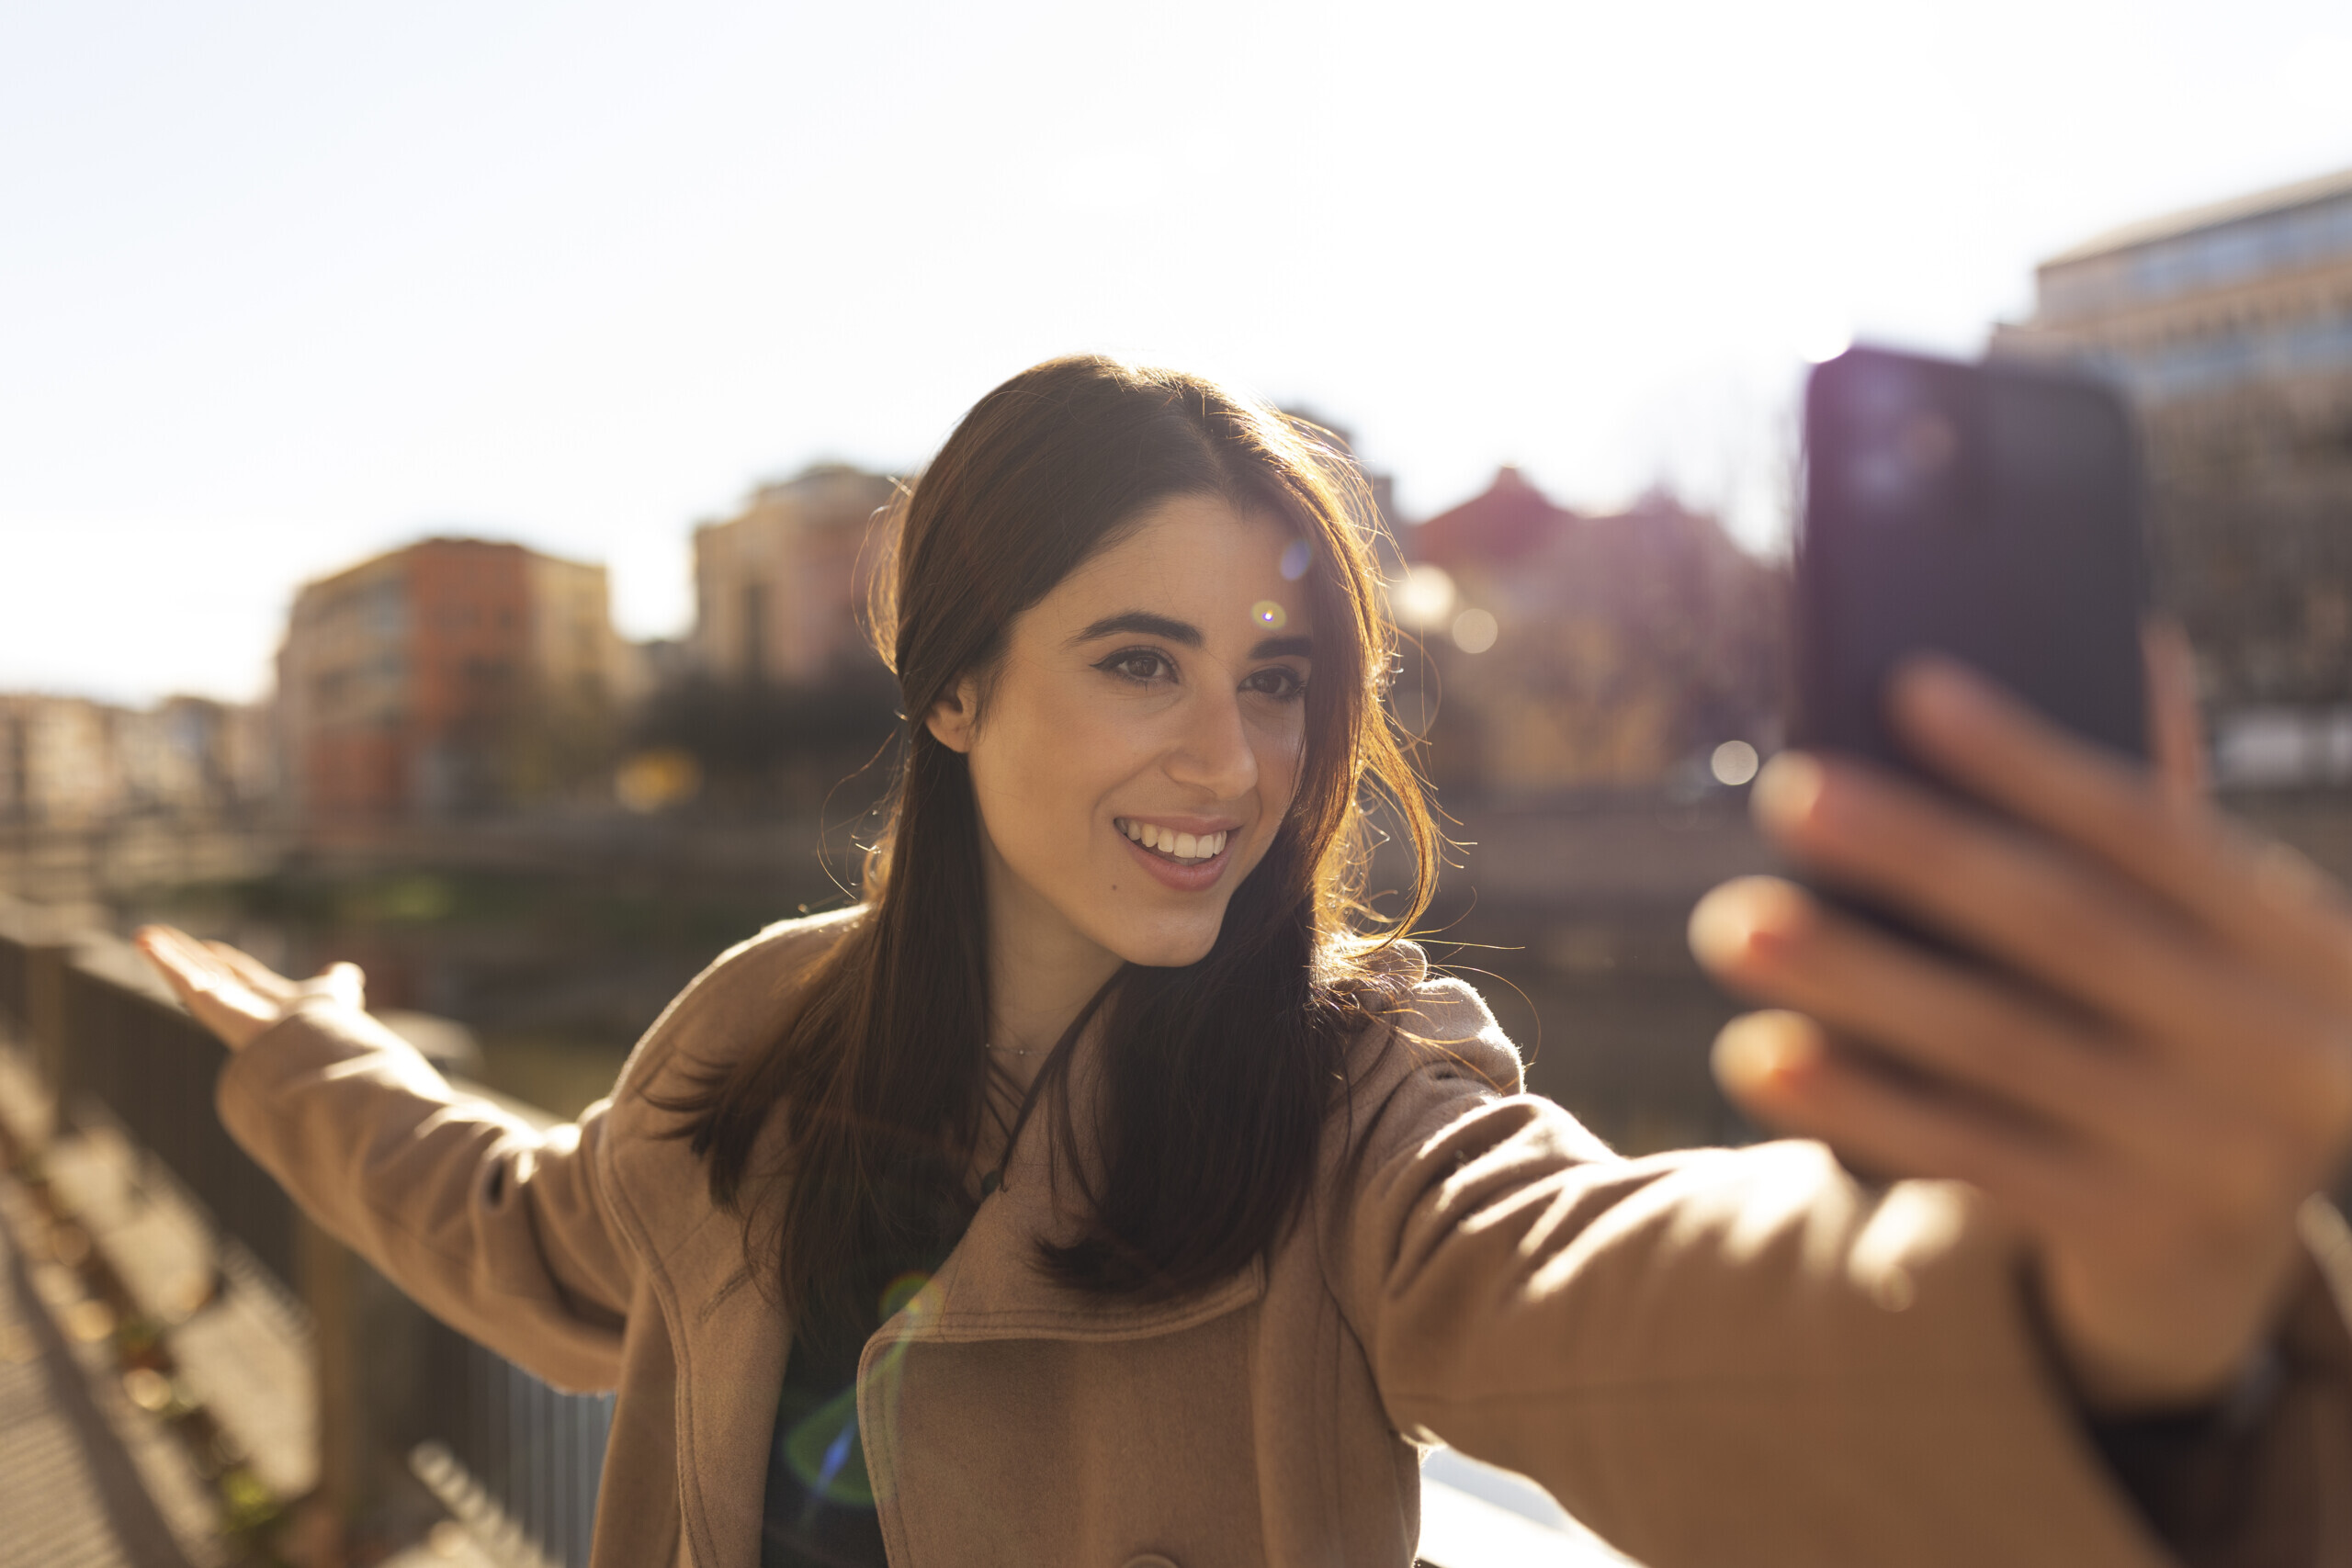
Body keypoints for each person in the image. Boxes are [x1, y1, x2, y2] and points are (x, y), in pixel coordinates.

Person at [141, 355, 2352, 1568]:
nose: (1233, 755)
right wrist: (312, 1061)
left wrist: (2082, 1315)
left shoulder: (1358, 1081)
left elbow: (1607, 1294)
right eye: (1138, 660)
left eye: (1279, 674)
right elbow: (534, 1239)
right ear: (949, 687)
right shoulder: (760, 1026)